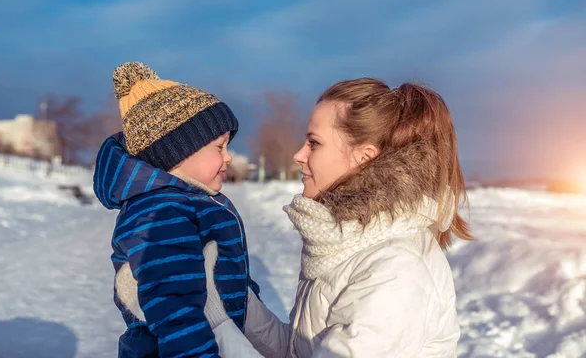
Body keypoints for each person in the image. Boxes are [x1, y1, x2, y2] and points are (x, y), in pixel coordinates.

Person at [204, 78, 472, 357]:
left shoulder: (395, 268)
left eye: (314, 143)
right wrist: (236, 297)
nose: (298, 155)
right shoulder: (344, 243)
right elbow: (296, 351)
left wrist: (221, 324)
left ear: (364, 157)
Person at [93, 62, 259, 358]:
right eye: (219, 147)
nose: (229, 157)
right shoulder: (160, 211)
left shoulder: (185, 201)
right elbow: (175, 309)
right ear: (179, 152)